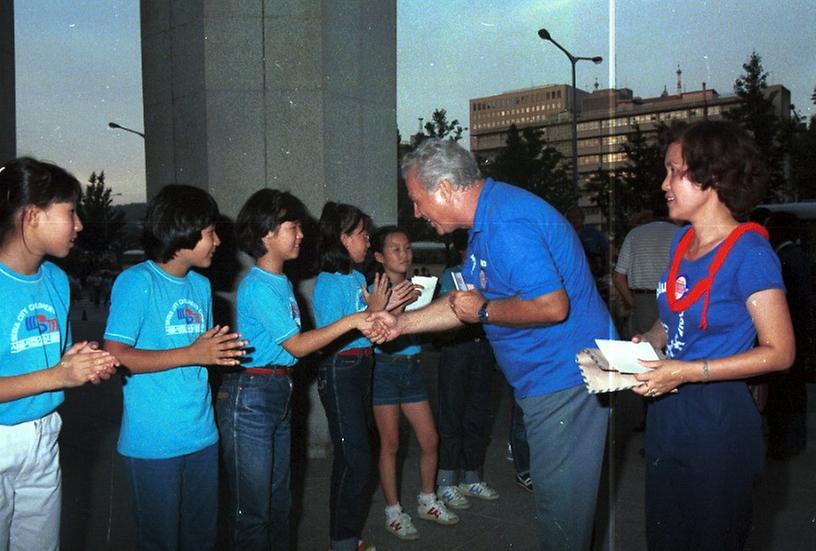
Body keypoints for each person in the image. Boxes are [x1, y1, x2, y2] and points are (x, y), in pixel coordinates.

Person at [369, 138, 615, 551]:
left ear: (445, 188)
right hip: (554, 380)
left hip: (567, 380)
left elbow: (551, 306)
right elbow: (463, 303)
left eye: (417, 200)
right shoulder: (489, 221)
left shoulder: (505, 223)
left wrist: (486, 311)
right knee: (567, 512)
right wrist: (399, 324)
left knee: (563, 519)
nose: (416, 213)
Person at [631, 120, 794, 550]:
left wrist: (686, 371)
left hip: (718, 423)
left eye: (673, 171)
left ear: (713, 176)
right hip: (668, 416)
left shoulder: (750, 253)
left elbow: (780, 353)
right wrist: (644, 344)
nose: (663, 184)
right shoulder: (679, 244)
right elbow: (669, 323)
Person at [217, 189, 386, 550]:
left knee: (279, 503)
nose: (301, 233)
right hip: (252, 397)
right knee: (255, 510)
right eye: (292, 226)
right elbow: (296, 345)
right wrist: (355, 320)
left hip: (277, 390)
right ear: (266, 234)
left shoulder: (281, 283)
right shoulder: (258, 287)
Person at [104, 185, 247, 551]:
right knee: (161, 541)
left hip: (201, 433)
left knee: (202, 538)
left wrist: (216, 354)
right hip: (154, 441)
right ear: (181, 230)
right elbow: (116, 355)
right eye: (210, 232)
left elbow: (201, 353)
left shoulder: (200, 286)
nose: (217, 240)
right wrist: (193, 354)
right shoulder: (137, 282)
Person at [0, 158, 119, 551]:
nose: (80, 225)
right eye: (70, 212)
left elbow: (50, 359)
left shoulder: (55, 279)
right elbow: (54, 374)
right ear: (32, 216)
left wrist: (79, 361)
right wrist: (60, 376)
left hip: (44, 435)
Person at [312, 202, 413, 551]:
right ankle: (342, 540)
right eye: (361, 235)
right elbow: (334, 335)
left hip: (362, 366)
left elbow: (369, 326)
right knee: (355, 459)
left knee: (356, 459)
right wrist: (373, 311)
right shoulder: (328, 282)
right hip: (341, 370)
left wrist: (393, 308)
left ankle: (349, 537)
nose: (368, 242)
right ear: (341, 239)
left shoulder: (356, 278)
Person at [368, 225, 457, 541]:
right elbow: (372, 326)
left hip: (412, 367)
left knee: (430, 438)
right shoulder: (375, 289)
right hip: (385, 368)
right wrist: (398, 305)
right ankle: (393, 511)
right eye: (396, 249)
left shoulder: (415, 284)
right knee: (390, 443)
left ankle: (427, 500)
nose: (404, 254)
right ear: (379, 256)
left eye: (407, 248)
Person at [434, 228, 501, 508]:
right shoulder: (451, 275)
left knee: (477, 414)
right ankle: (446, 481)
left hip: (483, 349)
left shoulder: (490, 274)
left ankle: (471, 476)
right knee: (452, 413)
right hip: (457, 351)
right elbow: (449, 315)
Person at [763, 211, 811, 459]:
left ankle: (784, 442)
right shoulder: (794, 256)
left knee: (786, 392)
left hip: (789, 334)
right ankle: (791, 439)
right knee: (792, 390)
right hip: (796, 333)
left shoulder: (786, 259)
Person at [613, 199, 680, 339]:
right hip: (675, 298)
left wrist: (633, 303)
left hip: (643, 301)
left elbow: (618, 278)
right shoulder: (681, 234)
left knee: (644, 350)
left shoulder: (634, 234)